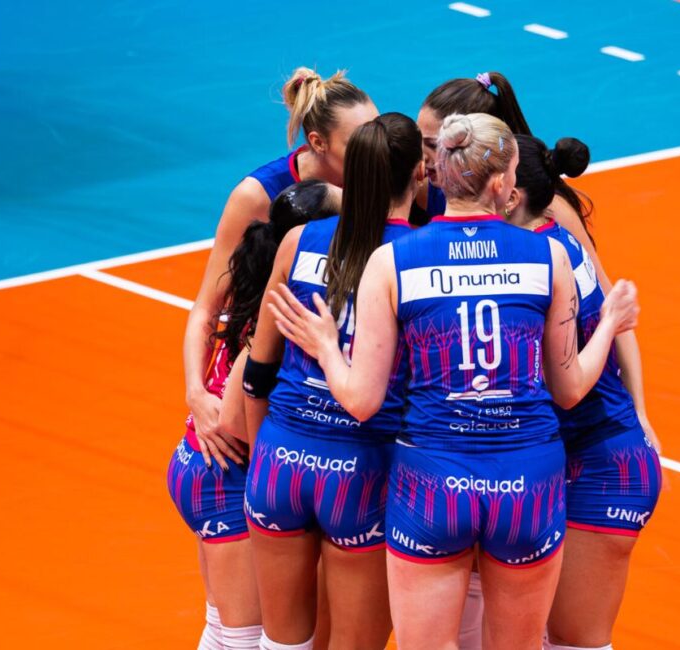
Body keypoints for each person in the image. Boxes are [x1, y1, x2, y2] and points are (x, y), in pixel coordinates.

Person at [267, 113, 640, 650]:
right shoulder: (549, 255)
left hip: (432, 479)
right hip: (526, 479)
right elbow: (570, 389)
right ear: (502, 183)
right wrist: (609, 324)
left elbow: (362, 401)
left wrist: (326, 345)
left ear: (437, 172)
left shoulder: (392, 260)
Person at [241, 112, 426, 650]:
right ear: (420, 172)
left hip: (281, 458)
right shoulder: (416, 258)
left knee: (280, 643)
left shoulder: (298, 241)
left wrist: (262, 456)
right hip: (364, 468)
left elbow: (257, 371)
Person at [414, 72, 660, 455]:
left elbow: (610, 305)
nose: (423, 156)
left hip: (571, 416)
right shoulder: (430, 187)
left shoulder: (548, 214)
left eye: (433, 144)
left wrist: (640, 413)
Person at [504, 135, 662, 650]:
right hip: (573, 455)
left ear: (509, 194)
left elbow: (567, 386)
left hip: (603, 466)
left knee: (574, 642)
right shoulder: (551, 239)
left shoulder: (541, 261)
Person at [166, 181, 338, 650]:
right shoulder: (279, 312)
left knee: (221, 630)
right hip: (226, 472)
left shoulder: (260, 280)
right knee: (243, 640)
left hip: (198, 465)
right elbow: (234, 419)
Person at [183, 67, 376, 472]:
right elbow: (207, 306)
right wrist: (196, 395)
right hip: (262, 378)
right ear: (318, 142)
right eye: (358, 143)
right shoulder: (256, 196)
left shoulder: (377, 180)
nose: (374, 151)